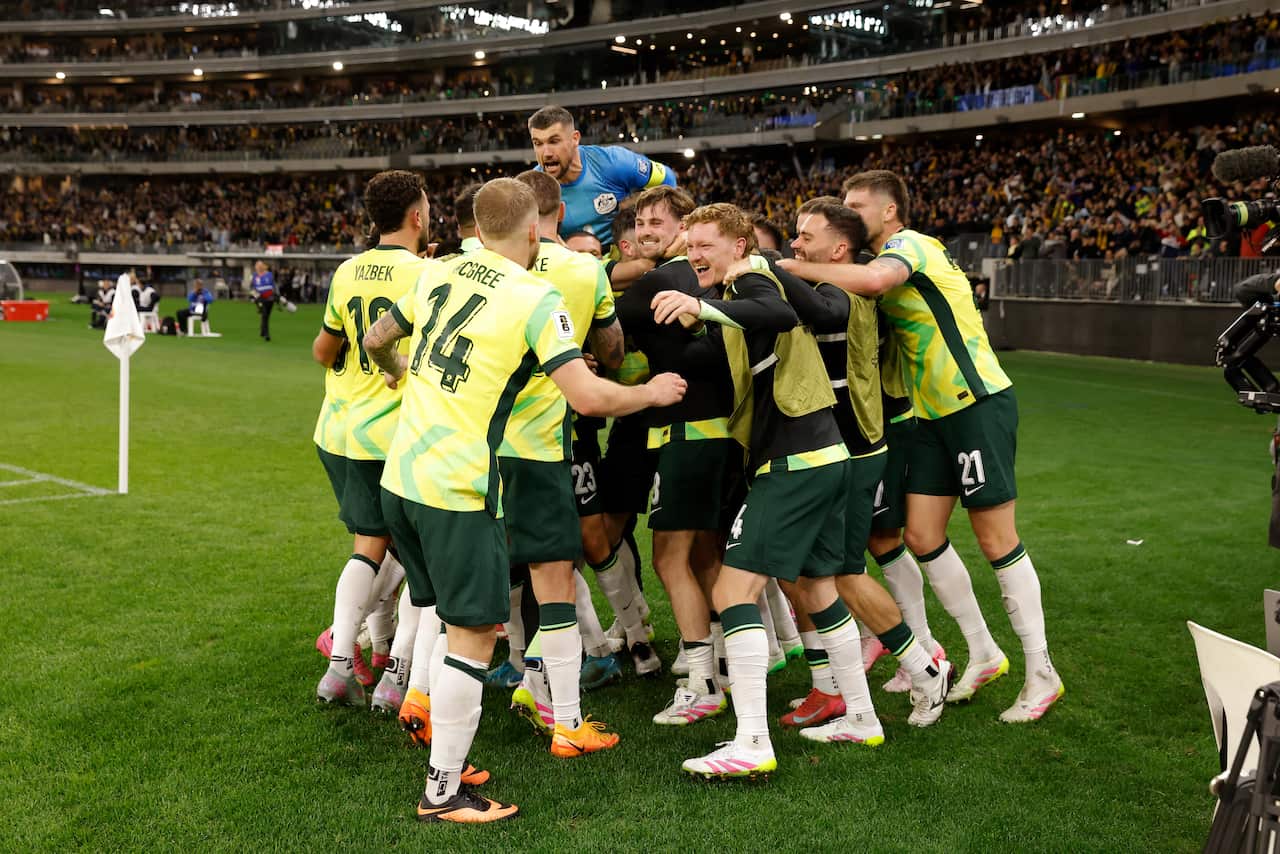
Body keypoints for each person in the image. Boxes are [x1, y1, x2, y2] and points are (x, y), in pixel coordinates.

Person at [362, 177, 686, 823]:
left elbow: (374, 340)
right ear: (535, 229)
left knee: (450, 619)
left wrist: (409, 380)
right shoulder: (537, 297)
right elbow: (591, 397)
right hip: (458, 489)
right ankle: (443, 790)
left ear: (477, 229)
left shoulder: (434, 274)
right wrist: (652, 393)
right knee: (477, 634)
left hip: (400, 477)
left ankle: (433, 728)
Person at [779, 170, 1063, 723]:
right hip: (931, 413)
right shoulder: (871, 260)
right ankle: (982, 652)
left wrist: (789, 267)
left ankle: (1042, 671)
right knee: (921, 535)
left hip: (975, 401)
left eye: (858, 205)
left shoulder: (910, 246)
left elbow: (881, 280)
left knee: (996, 537)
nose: (850, 211)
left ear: (889, 212)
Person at [649, 203, 867, 779]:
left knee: (732, 589)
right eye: (689, 245)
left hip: (796, 460)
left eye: (706, 245)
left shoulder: (752, 278)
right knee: (818, 589)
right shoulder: (740, 290)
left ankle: (752, 741)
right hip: (819, 455)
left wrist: (700, 305)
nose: (693, 255)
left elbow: (773, 311)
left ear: (739, 244)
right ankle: (864, 714)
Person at [761, 198, 952, 737]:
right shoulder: (836, 281)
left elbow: (818, 313)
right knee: (806, 572)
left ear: (838, 247)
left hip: (851, 453)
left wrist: (769, 266)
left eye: (805, 236)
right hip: (835, 450)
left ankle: (924, 666)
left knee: (839, 574)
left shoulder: (841, 290)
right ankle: (837, 687)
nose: (795, 244)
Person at [498, 169, 636, 744]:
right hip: (552, 439)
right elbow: (612, 352)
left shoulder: (469, 272)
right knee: (559, 567)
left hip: (474, 442)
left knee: (459, 580)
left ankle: (414, 680)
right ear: (557, 212)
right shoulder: (585, 272)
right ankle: (567, 707)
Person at [310, 171, 435, 715]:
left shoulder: (348, 270)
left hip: (337, 430)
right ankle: (397, 675)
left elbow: (323, 347)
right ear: (416, 217)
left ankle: (343, 663)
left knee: (370, 543)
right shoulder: (428, 274)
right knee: (421, 560)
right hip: (395, 434)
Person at [615, 185, 737, 726]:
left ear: (687, 228)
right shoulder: (707, 282)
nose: (644, 231)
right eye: (639, 222)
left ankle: (702, 682)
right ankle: (726, 662)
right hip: (714, 430)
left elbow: (608, 321)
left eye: (657, 222)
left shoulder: (667, 281)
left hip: (689, 432)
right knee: (707, 554)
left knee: (669, 557)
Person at [528, 104, 676, 247]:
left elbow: (668, 179)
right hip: (573, 265)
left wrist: (634, 204)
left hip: (624, 258)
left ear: (575, 139)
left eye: (554, 141)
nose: (546, 153)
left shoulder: (614, 162)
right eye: (538, 143)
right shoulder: (531, 188)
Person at [251, 260, 275, 341]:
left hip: (270, 298)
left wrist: (276, 296)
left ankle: (262, 331)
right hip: (260, 298)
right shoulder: (254, 276)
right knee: (264, 315)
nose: (258, 267)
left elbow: (273, 286)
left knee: (266, 316)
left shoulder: (269, 275)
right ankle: (267, 335)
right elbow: (252, 288)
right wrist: (255, 297)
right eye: (257, 265)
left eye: (260, 265)